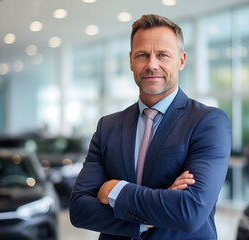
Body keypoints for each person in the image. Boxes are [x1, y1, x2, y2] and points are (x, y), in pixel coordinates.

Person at [70, 14, 231, 240]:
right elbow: (79, 210)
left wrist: (116, 190)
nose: (151, 65)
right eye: (142, 55)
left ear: (181, 60)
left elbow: (190, 211)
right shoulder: (108, 127)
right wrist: (153, 213)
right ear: (131, 61)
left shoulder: (208, 122)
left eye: (163, 55)